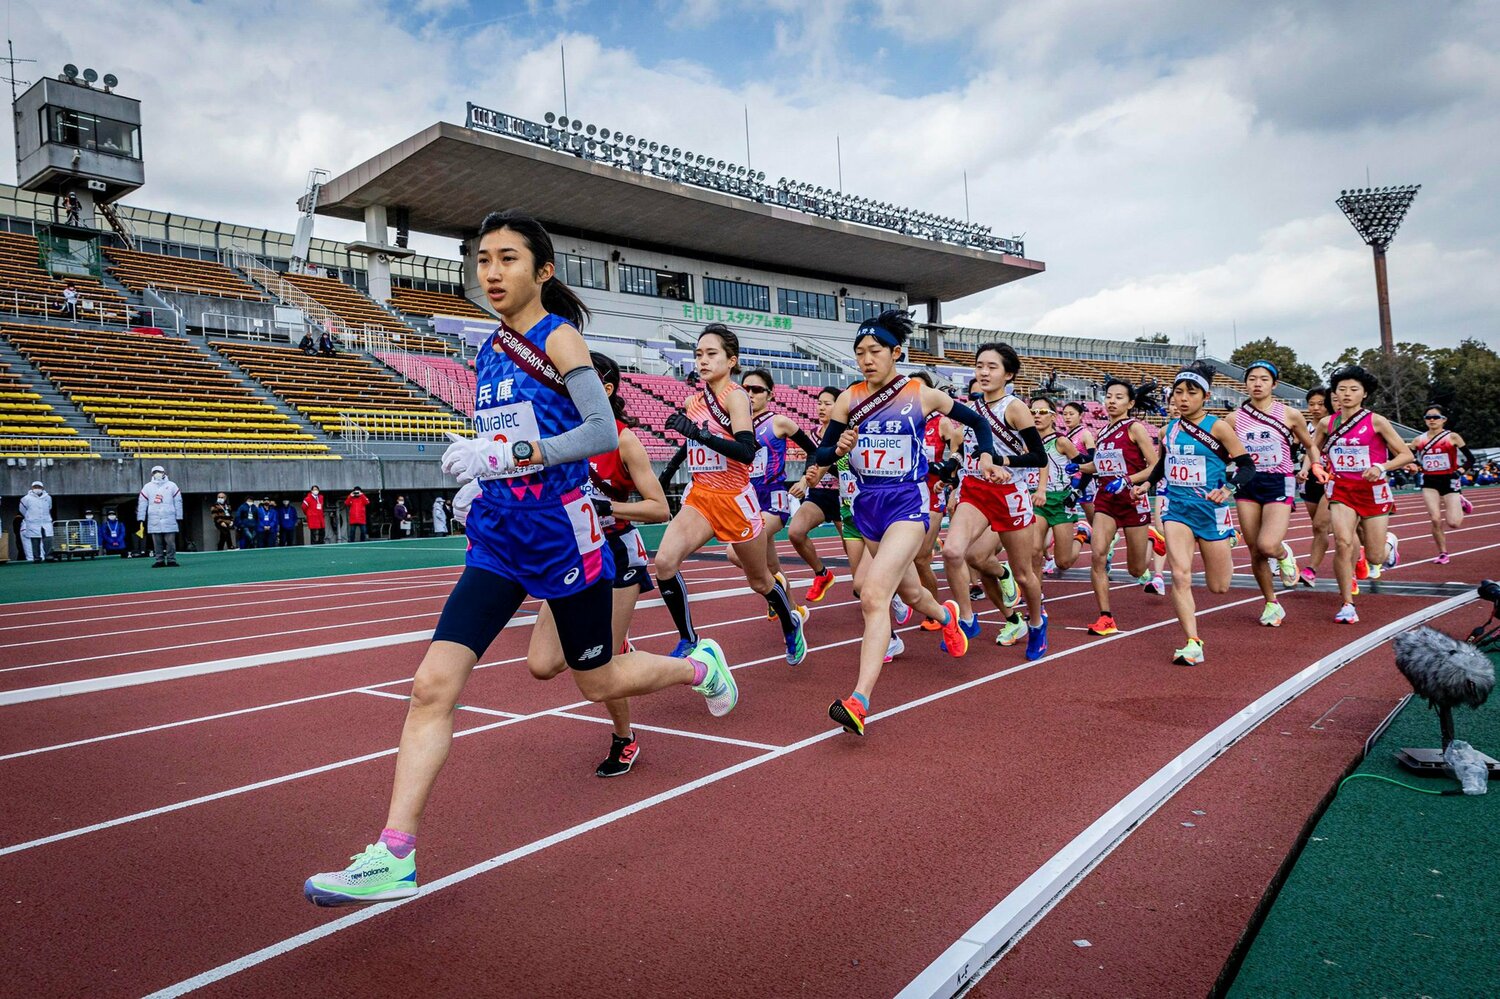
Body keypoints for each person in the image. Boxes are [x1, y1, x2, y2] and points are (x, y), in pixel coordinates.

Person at [305, 210, 734, 905]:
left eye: (507, 258)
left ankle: (698, 665)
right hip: (500, 536)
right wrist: (481, 479)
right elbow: (501, 434)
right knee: (430, 686)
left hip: (564, 534)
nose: (492, 271)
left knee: (593, 681)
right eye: (482, 260)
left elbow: (599, 431)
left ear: (542, 270)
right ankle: (395, 853)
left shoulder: (558, 338)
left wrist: (509, 454)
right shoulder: (488, 350)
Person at [802, 310, 1004, 735]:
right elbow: (822, 456)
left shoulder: (921, 393)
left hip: (907, 506)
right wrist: (836, 448)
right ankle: (947, 618)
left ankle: (858, 700)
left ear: (896, 352)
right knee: (910, 592)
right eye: (859, 353)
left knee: (873, 595)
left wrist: (985, 453)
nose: (866, 359)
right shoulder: (848, 398)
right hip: (866, 507)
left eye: (875, 351)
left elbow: (978, 422)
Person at [526, 351, 673, 777]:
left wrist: (606, 506)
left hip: (616, 555)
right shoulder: (557, 434)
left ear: (603, 390)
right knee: (541, 665)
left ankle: (624, 738)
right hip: (570, 554)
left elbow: (660, 508)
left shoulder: (624, 440)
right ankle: (620, 645)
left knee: (601, 665)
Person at [653, 323, 808, 666]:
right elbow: (690, 443)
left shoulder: (736, 397)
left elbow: (746, 451)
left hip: (735, 501)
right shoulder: (693, 399)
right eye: (698, 354)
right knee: (663, 563)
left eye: (711, 354)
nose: (703, 361)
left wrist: (700, 434)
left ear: (731, 360)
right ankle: (687, 638)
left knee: (759, 580)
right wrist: (664, 476)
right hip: (701, 497)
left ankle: (790, 623)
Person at [937, 342, 1050, 656]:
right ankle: (968, 619)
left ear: (1008, 374)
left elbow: (1039, 457)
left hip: (1009, 495)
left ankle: (1038, 623)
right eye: (979, 366)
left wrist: (1003, 462)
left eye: (992, 367)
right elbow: (963, 449)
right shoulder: (972, 407)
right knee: (952, 552)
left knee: (1025, 573)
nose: (984, 372)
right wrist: (950, 469)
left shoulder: (1014, 408)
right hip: (975, 490)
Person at [1150, 362, 1257, 666]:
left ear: (1205, 396)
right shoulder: (1167, 430)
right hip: (1177, 509)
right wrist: (1146, 484)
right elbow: (1162, 467)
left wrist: (1229, 489)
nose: (1183, 398)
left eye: (1191, 393)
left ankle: (1229, 539)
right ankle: (1192, 642)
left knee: (1219, 586)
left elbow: (1247, 466)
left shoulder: (1219, 427)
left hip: (1211, 511)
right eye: (1178, 392)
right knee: (1180, 575)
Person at [1312, 365, 1414, 624]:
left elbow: (1406, 455)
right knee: (1343, 543)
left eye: (1353, 389)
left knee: (1374, 557)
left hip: (1373, 491)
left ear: (1364, 393)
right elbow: (1313, 451)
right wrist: (1312, 467)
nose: (1346, 394)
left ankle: (1388, 545)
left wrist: (1381, 466)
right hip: (1341, 490)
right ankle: (1347, 603)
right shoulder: (1327, 423)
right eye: (1341, 389)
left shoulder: (1376, 421)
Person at [717, 368, 817, 622]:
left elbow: (813, 450)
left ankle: (772, 588)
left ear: (769, 395)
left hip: (773, 500)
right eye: (746, 389)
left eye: (757, 390)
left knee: (733, 551)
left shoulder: (779, 422)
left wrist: (805, 479)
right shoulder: (735, 425)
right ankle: (795, 612)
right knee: (773, 566)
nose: (750, 394)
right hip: (744, 500)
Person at [1232, 360, 1321, 627]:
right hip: (1247, 483)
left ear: (1274, 384)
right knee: (1255, 551)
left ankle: (1283, 555)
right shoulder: (1234, 418)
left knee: (1267, 545)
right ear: (1245, 384)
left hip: (1279, 482)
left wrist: (1315, 464)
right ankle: (1271, 603)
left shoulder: (1289, 415)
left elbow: (1311, 445)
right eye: (1252, 379)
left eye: (1263, 379)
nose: (1257, 384)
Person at [1075, 378, 1161, 635]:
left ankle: (1151, 541)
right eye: (1109, 396)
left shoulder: (1135, 428)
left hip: (1132, 498)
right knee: (1098, 554)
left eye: (1119, 397)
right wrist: (1079, 467)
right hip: (1106, 500)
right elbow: (1100, 466)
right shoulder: (1102, 432)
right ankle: (1106, 617)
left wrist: (1127, 481)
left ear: (1130, 403)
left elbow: (1155, 466)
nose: (1111, 401)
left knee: (1137, 570)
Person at [787, 386, 850, 603]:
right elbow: (812, 461)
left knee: (854, 552)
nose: (821, 408)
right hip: (819, 495)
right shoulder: (812, 435)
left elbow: (840, 466)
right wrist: (806, 479)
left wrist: (810, 476)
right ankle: (822, 574)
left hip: (844, 496)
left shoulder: (847, 435)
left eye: (828, 403)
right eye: (819, 403)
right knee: (795, 532)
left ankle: (886, 591)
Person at [1410, 404, 1474, 565]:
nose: (1432, 420)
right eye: (1428, 417)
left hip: (1450, 479)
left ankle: (1460, 500)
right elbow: (1408, 456)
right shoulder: (1419, 440)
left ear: (1443, 420)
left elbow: (1470, 459)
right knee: (1435, 519)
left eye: (1435, 417)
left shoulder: (1452, 437)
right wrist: (1413, 465)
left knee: (1453, 523)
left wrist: (1459, 472)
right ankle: (1443, 553)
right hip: (1429, 481)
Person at [1029, 397, 1085, 578]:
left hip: (1061, 500)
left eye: (1043, 412)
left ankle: (1083, 535)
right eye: (1033, 412)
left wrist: (1077, 490)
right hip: (1037, 500)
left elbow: (1086, 466)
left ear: (1053, 417)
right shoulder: (1026, 441)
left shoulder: (1061, 442)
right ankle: (1038, 601)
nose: (1037, 416)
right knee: (1034, 552)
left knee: (1063, 562)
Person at [1297, 387, 1334, 586]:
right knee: (1320, 528)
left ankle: (1311, 569)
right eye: (1312, 404)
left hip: (1334, 478)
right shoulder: (1305, 428)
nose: (1316, 408)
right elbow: (1310, 452)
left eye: (1320, 404)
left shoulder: (1336, 424)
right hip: (1311, 479)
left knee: (1321, 524)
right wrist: (1304, 469)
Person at [1060, 401, 1097, 532]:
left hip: (1083, 480)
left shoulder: (1085, 433)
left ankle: (1106, 540)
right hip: (1068, 481)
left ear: (1080, 415)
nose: (1067, 417)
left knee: (1092, 518)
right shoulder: (1064, 435)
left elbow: (1093, 459)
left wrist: (1077, 460)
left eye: (1071, 414)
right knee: (1063, 515)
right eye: (1064, 414)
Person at [136, 466, 183, 567]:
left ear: (164, 473)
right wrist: (141, 518)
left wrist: (179, 516)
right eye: (155, 472)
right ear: (152, 474)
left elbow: (178, 502)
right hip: (154, 518)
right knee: (157, 542)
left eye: (160, 472)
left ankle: (171, 560)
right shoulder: (147, 487)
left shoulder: (172, 485)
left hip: (169, 517)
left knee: (170, 542)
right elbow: (142, 502)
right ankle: (159, 560)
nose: (157, 473)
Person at [19, 481, 53, 562]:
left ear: (42, 488)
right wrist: (30, 517)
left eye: (39, 487)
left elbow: (49, 507)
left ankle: (49, 555)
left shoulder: (48, 497)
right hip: (33, 523)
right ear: (32, 488)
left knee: (48, 538)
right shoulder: (26, 498)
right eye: (35, 487)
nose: (37, 489)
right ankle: (36, 557)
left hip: (45, 522)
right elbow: (22, 510)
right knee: (35, 540)